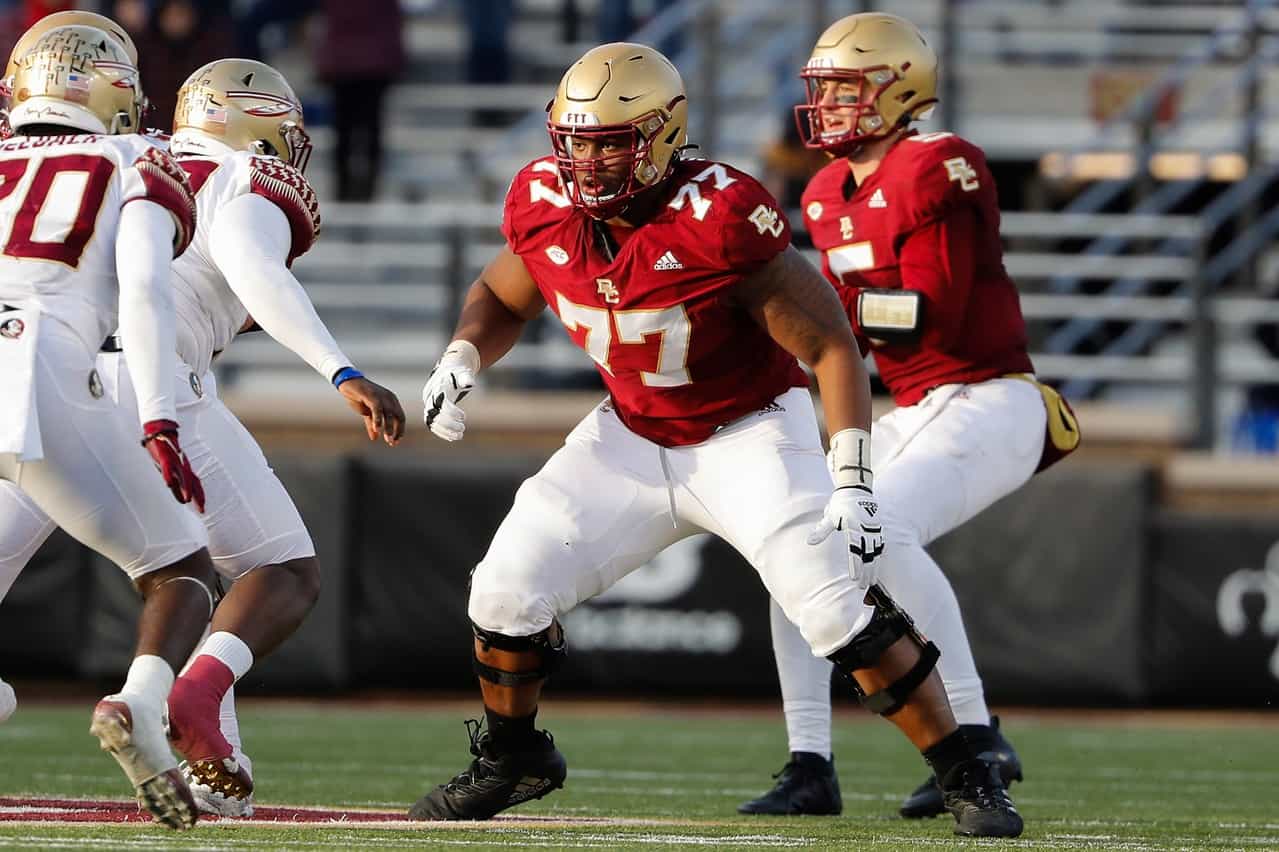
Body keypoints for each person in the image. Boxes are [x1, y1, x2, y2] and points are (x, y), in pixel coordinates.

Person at [408, 42, 1023, 838]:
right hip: (628, 435)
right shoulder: (541, 199)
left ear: (662, 134)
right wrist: (462, 354)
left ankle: (966, 770)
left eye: (611, 141)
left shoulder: (719, 213)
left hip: (749, 433)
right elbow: (501, 291)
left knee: (832, 605)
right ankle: (513, 756)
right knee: (502, 591)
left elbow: (830, 342)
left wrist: (852, 477)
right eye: (577, 141)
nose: (588, 161)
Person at [0, 53, 406, 817]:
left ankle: (209, 752)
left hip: (38, 377)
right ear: (262, 128)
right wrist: (339, 369)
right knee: (277, 570)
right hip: (145, 378)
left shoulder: (93, 152)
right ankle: (180, 697)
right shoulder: (232, 175)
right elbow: (254, 267)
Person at [737, 12, 1080, 820]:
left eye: (844, 89)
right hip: (918, 404)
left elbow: (930, 312)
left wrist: (824, 317)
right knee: (798, 544)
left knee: (877, 527)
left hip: (990, 395)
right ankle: (809, 764)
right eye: (820, 91)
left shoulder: (939, 163)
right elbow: (842, 325)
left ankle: (974, 729)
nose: (825, 106)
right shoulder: (823, 192)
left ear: (901, 88)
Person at [0, 23, 212, 829]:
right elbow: (148, 294)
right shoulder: (135, 161)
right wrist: (158, 415)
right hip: (32, 361)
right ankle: (140, 706)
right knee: (178, 564)